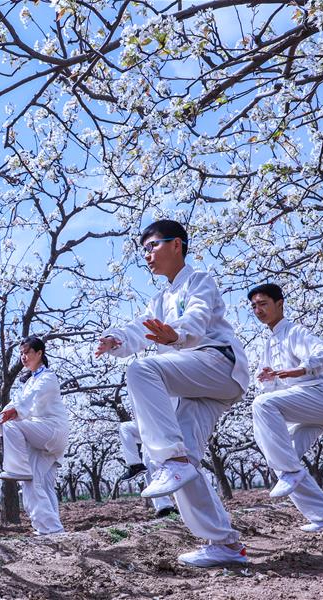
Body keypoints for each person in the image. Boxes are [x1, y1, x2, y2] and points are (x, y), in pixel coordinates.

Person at [95, 219, 249, 568]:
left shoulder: (199, 281)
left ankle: (170, 458)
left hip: (216, 364)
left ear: (177, 244)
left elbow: (195, 319)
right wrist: (116, 339)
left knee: (141, 370)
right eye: (143, 250)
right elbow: (140, 330)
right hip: (199, 388)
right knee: (186, 466)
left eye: (152, 246)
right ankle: (224, 543)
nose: (147, 255)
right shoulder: (160, 299)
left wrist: (174, 335)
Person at [248, 284, 323, 532]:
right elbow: (271, 388)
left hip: (319, 397)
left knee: (262, 407)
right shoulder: (269, 343)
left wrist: (303, 368)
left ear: (279, 304)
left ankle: (290, 471)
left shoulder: (294, 332)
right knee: (283, 459)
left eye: (263, 304)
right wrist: (267, 379)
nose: (258, 310)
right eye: (253, 306)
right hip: (305, 408)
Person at [0, 336, 69, 536]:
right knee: (41, 483)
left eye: (27, 352)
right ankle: (52, 529)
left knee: (11, 425)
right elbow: (17, 401)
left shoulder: (47, 377)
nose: (23, 357)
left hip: (50, 431)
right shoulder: (30, 381)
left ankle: (17, 468)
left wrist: (2, 420)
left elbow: (25, 402)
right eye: (21, 354)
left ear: (39, 353)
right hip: (42, 436)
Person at [117, 398, 177, 518]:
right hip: (153, 427)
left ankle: (135, 465)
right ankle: (165, 508)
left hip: (165, 425)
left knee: (125, 428)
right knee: (149, 467)